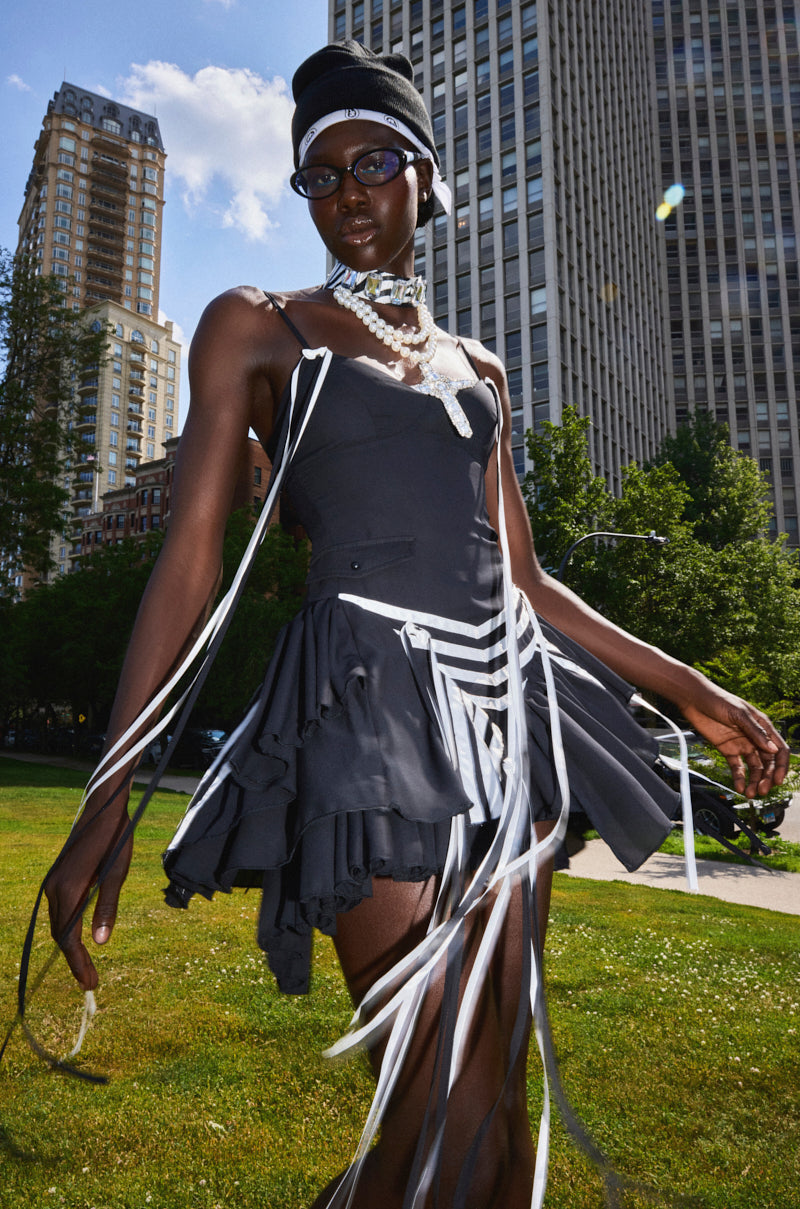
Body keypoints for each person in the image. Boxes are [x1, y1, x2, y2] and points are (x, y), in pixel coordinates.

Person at [44, 41, 788, 1209]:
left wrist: (686, 685)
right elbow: (188, 566)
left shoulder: (480, 370)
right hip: (363, 719)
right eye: (320, 175)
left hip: (504, 734)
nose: (345, 191)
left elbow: (530, 586)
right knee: (434, 1115)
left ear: (427, 179)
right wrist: (108, 793)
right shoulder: (259, 327)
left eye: (373, 161)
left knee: (493, 1130)